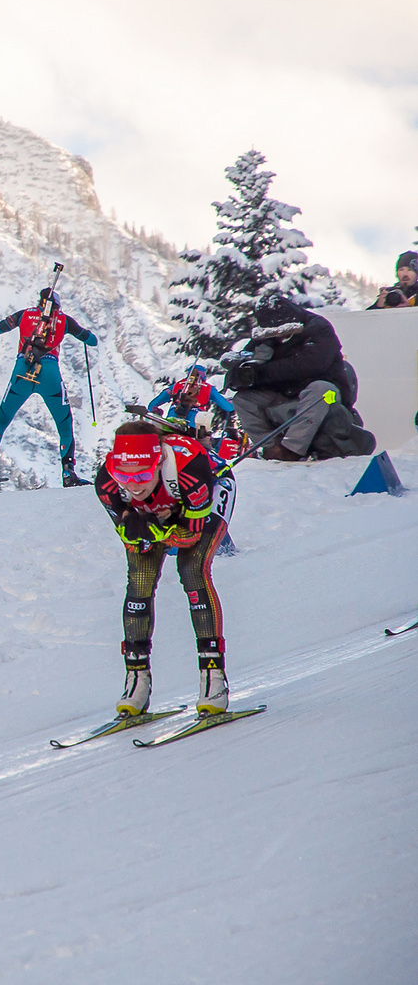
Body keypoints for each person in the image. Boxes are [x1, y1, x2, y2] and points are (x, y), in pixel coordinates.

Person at [95, 420, 238, 717]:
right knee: (139, 581)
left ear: (159, 462)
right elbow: (130, 535)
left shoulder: (187, 468)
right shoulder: (107, 482)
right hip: (162, 511)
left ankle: (214, 680)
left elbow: (188, 536)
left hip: (207, 495)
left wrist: (153, 527)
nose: (133, 485)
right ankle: (137, 681)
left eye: (143, 474)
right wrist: (142, 526)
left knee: (192, 571)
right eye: (124, 476)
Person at [0, 286, 99, 486]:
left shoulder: (25, 314)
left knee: (3, 418)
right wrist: (79, 331)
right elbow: (91, 340)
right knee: (64, 423)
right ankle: (67, 472)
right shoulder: (64, 320)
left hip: (23, 369)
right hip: (50, 373)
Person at [222, 294, 372, 462]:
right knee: (243, 400)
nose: (278, 336)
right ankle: (271, 448)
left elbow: (309, 364)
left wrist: (260, 373)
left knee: (320, 390)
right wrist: (240, 375)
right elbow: (249, 362)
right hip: (285, 395)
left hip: (327, 397)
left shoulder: (318, 328)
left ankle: (291, 449)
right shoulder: (268, 337)